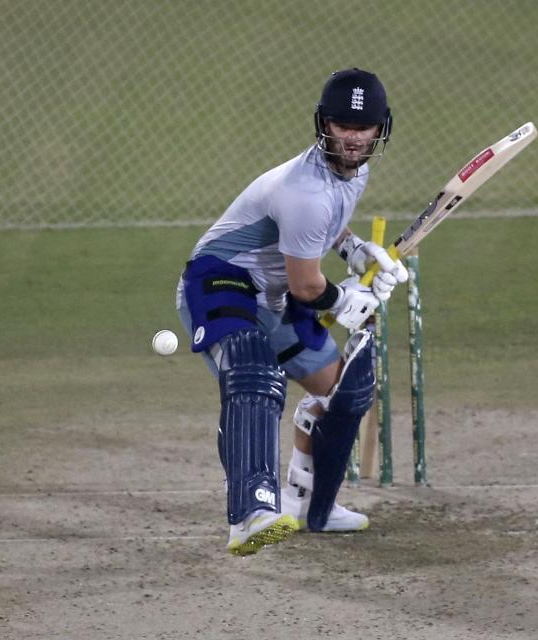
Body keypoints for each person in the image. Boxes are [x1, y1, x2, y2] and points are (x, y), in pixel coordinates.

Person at [175, 68, 409, 555]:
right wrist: (345, 301)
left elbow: (329, 229)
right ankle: (251, 511)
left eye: (362, 126)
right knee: (255, 373)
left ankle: (306, 504)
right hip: (222, 280)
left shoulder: (355, 171)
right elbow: (307, 285)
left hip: (275, 291)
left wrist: (356, 252)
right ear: (323, 123)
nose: (351, 136)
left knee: (345, 394)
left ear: (379, 129)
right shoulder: (304, 191)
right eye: (342, 124)